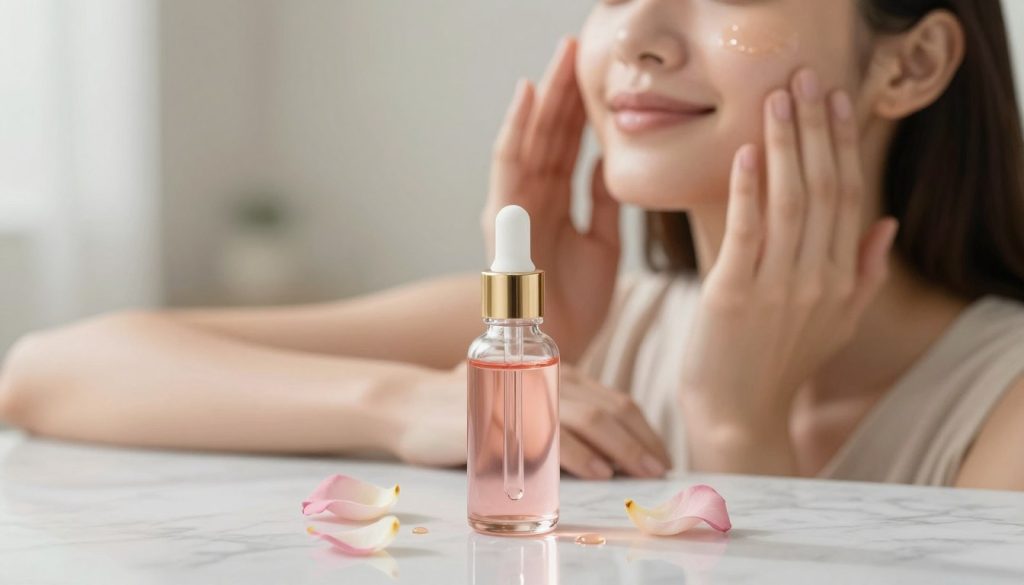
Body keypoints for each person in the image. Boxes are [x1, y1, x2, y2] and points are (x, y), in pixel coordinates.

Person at [2, 0, 1023, 490]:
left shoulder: (1001, 415)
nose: (638, 35)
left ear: (915, 60)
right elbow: (51, 371)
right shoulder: (589, 328)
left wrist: (732, 426)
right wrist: (426, 400)